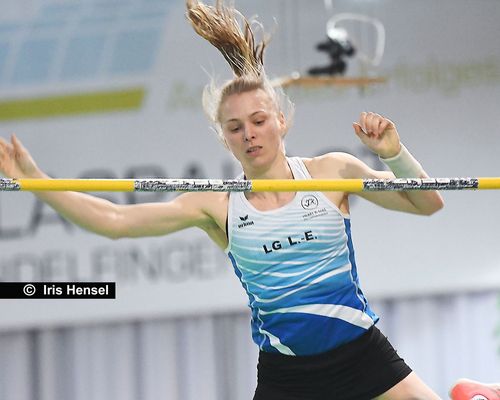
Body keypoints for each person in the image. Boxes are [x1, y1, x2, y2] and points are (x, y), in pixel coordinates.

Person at [0, 1, 492, 399]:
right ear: (225, 139)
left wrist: (393, 154)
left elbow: (429, 204)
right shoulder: (217, 207)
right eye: (235, 127)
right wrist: (36, 179)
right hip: (288, 377)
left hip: (362, 356)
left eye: (259, 120)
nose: (250, 134)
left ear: (281, 120)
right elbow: (112, 220)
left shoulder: (332, 172)